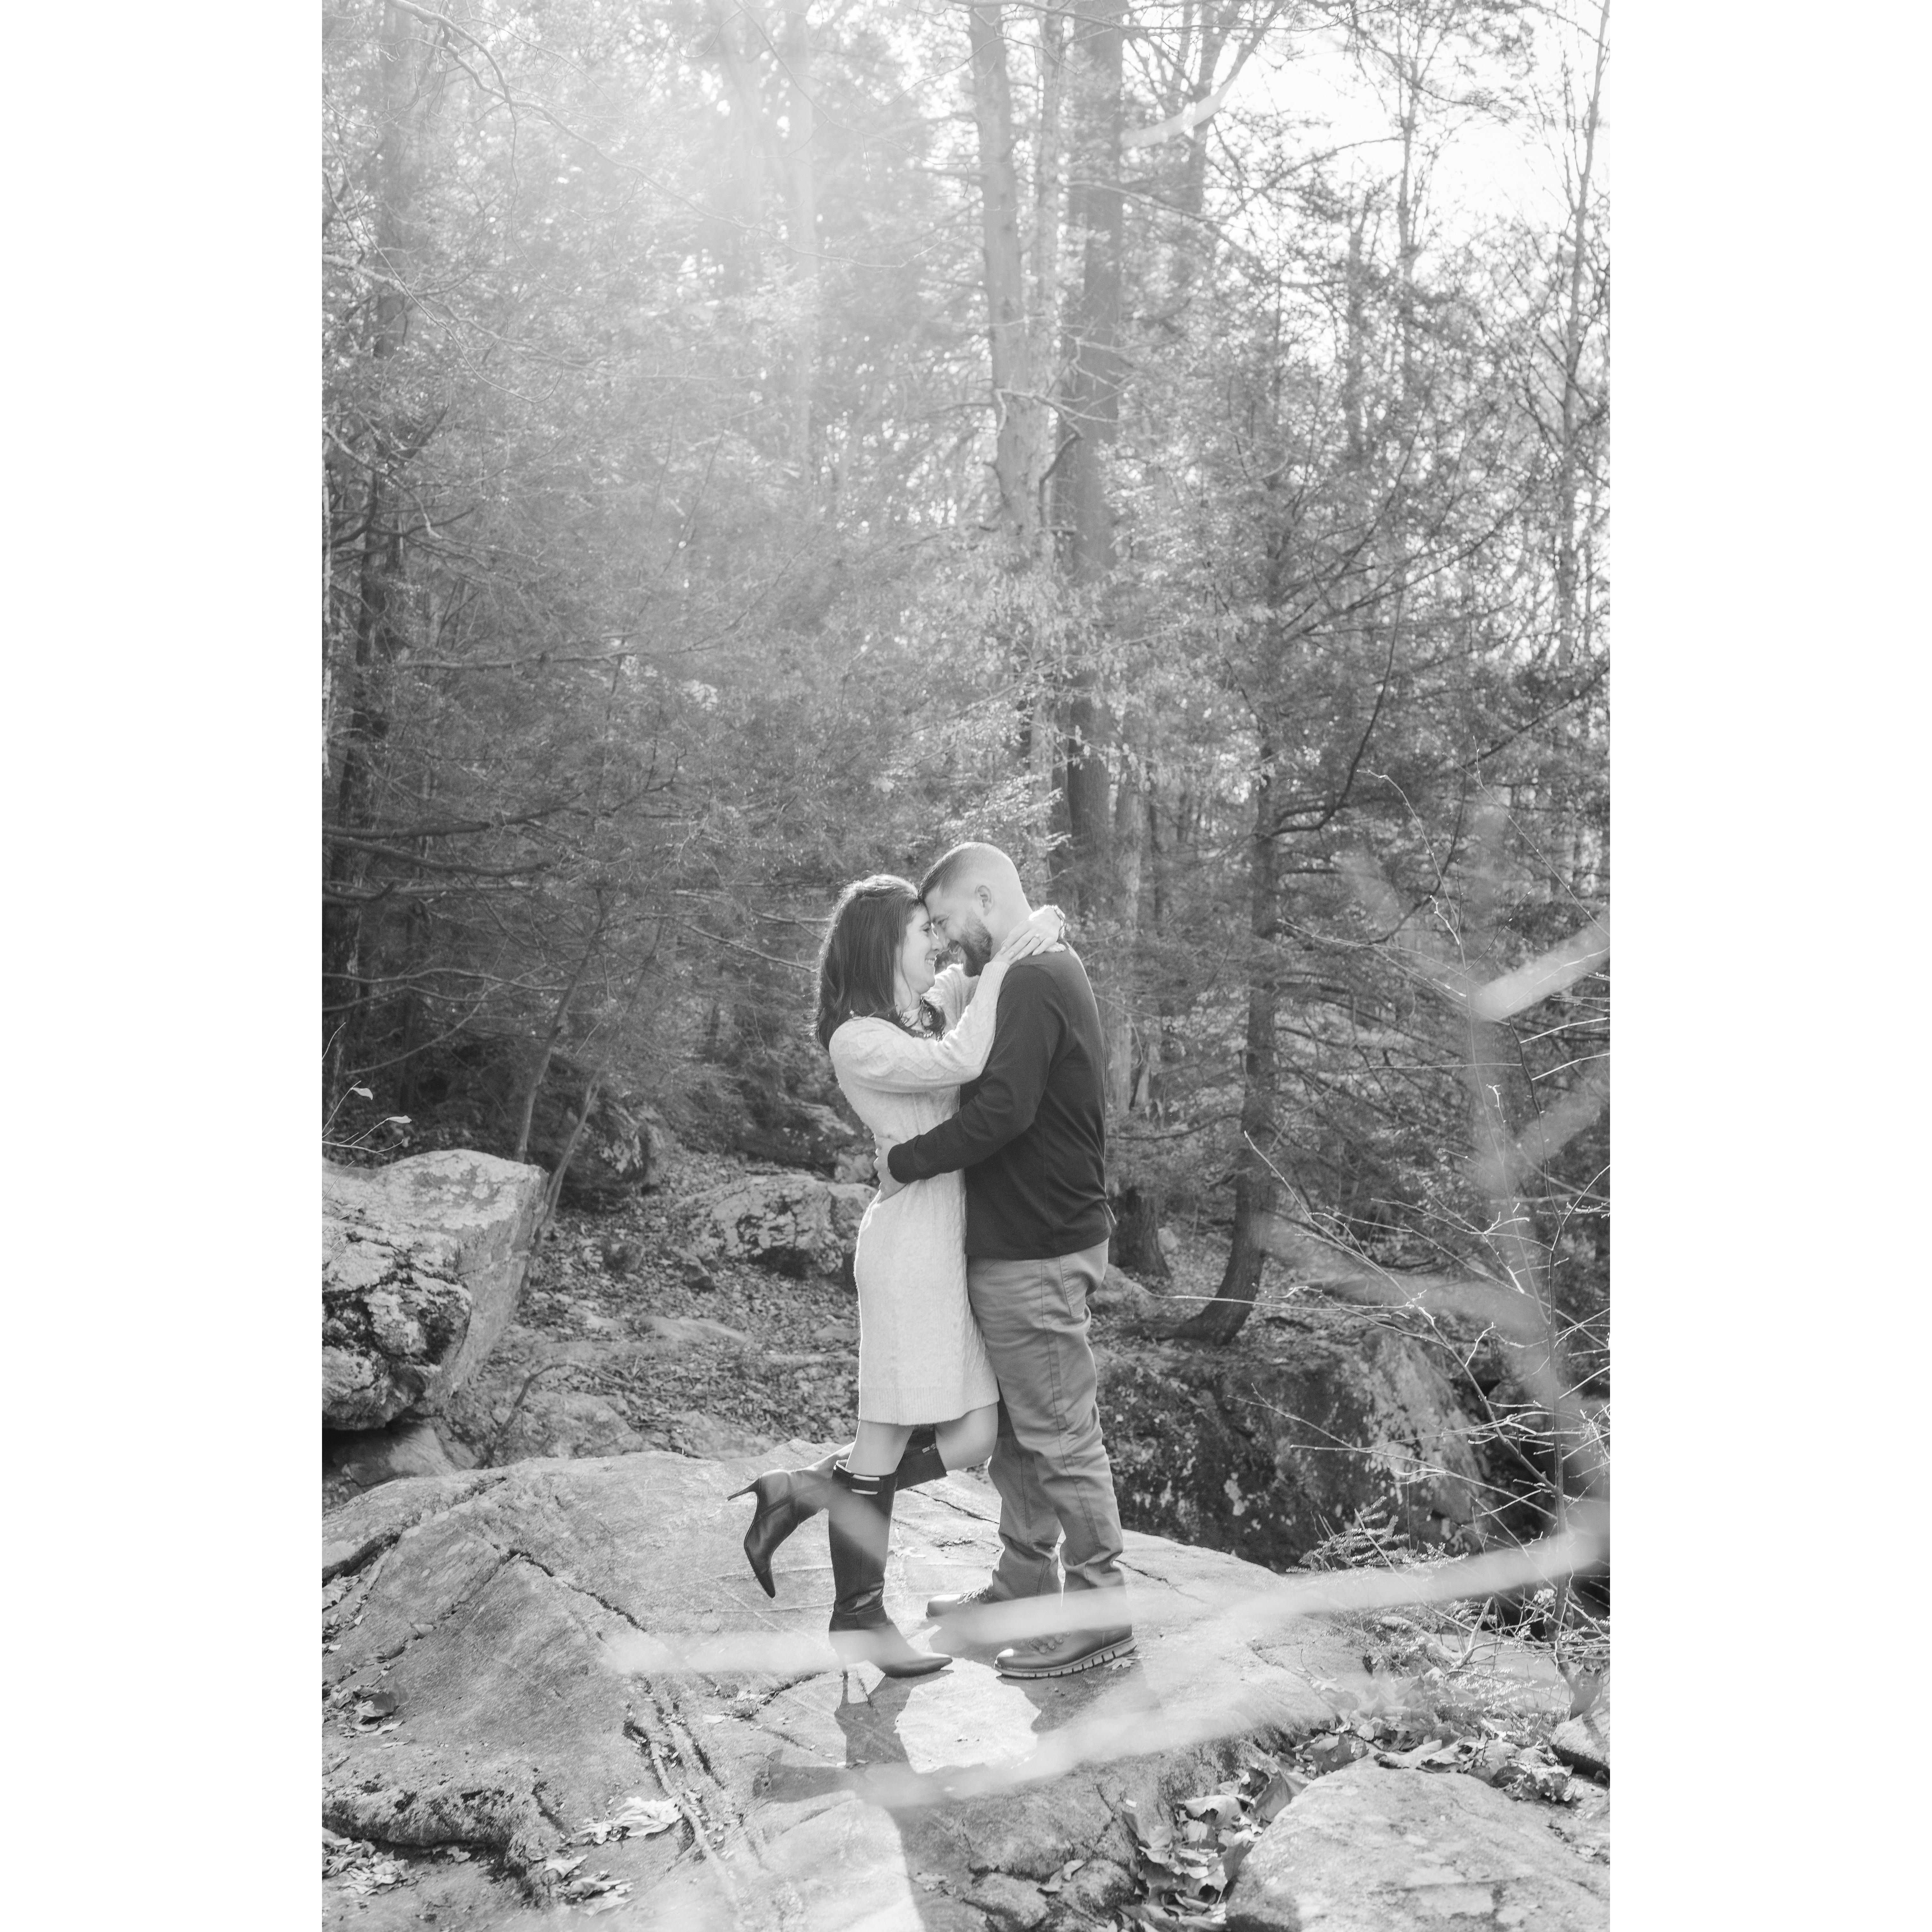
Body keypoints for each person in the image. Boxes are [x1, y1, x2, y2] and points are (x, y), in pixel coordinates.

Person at [730, 874, 1064, 1677]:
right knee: (881, 1440)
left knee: (975, 1435)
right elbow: (963, 1055)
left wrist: (1029, 926)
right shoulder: (859, 1041)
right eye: (922, 932)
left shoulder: (913, 1015)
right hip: (909, 1254)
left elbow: (964, 983)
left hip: (948, 1248)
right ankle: (859, 1616)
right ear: (884, 944)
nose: (936, 945)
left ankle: (808, 1490)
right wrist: (1010, 957)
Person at [875, 841, 1135, 1680]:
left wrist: (904, 1163)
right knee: (1023, 1433)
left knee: (1058, 1434)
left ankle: (1101, 1613)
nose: (948, 940)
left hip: (1039, 1248)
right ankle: (1024, 1585)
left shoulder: (1031, 977)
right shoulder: (1022, 971)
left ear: (987, 901)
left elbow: (1002, 1112)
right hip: (1026, 1243)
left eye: (949, 920)